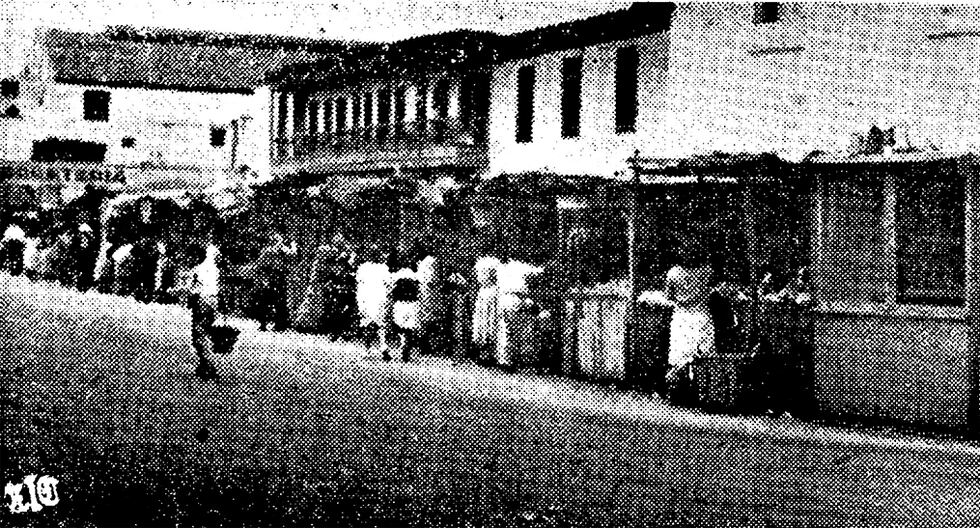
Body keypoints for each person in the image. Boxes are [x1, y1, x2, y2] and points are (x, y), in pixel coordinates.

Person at [663, 246, 716, 405]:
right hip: (699, 315)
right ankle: (698, 392)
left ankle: (678, 392)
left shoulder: (674, 273)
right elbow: (711, 291)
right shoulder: (706, 271)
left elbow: (668, 296)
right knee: (700, 355)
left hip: (685, 315)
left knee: (681, 356)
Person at [186, 244, 221, 381]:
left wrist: (188, 293)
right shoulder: (215, 269)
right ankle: (204, 364)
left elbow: (194, 290)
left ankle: (208, 364)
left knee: (198, 335)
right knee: (205, 332)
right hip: (213, 301)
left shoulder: (199, 269)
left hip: (202, 302)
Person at [253, 232, 296, 332]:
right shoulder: (267, 252)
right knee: (265, 302)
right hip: (269, 278)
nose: (279, 244)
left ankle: (279, 325)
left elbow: (292, 254)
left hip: (280, 278)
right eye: (277, 242)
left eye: (280, 242)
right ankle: (263, 324)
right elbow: (259, 267)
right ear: (273, 242)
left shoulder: (282, 251)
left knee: (280, 302)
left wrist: (293, 245)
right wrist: (263, 280)